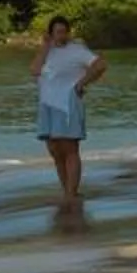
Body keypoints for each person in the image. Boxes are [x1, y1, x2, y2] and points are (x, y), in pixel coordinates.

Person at [31, 14, 107, 205]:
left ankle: (72, 193)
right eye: (58, 32)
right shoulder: (46, 52)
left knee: (69, 148)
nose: (62, 35)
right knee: (54, 149)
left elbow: (100, 65)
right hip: (47, 104)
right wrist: (44, 47)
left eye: (64, 31)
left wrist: (82, 84)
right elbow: (34, 71)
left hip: (68, 102)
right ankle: (66, 190)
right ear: (50, 34)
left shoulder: (77, 50)